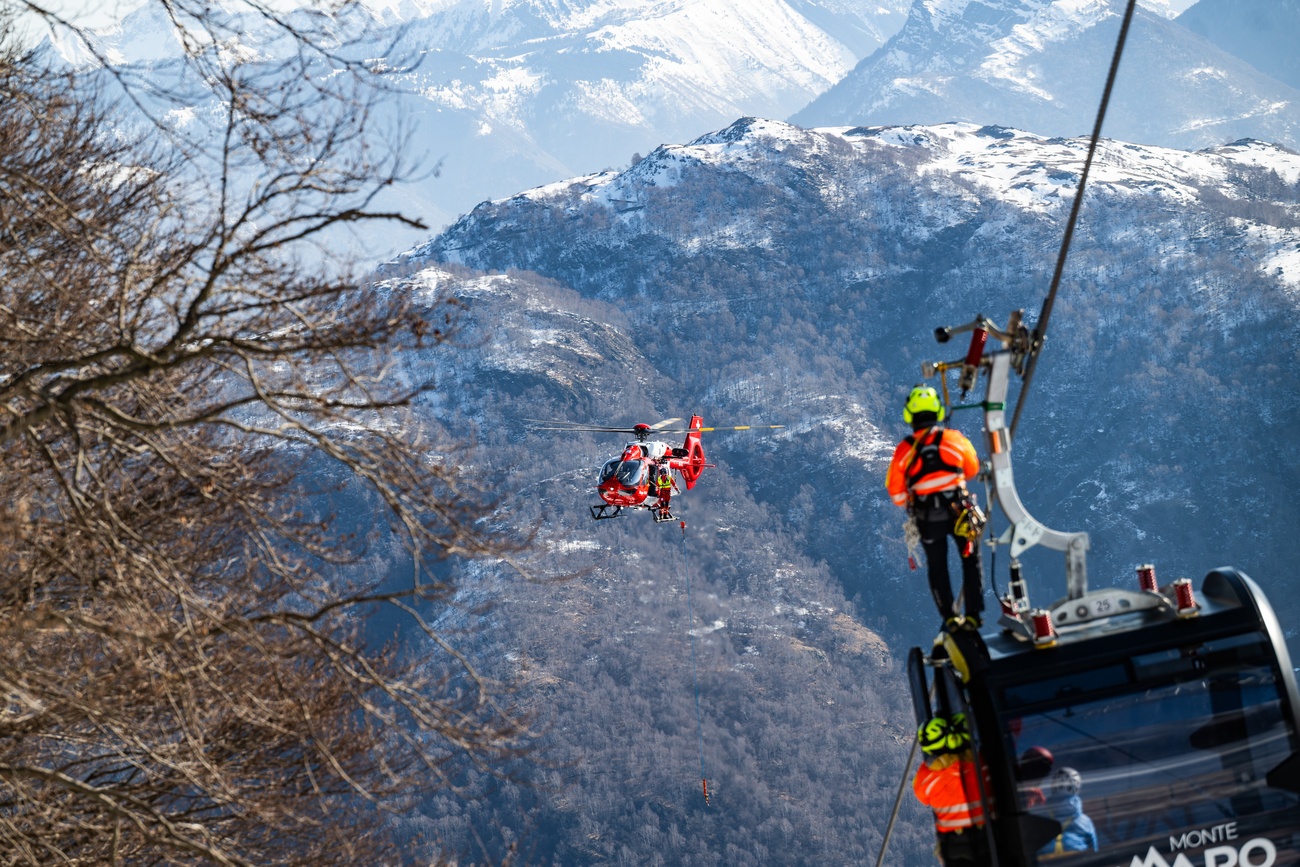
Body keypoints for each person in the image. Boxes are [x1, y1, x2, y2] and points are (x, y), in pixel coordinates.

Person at [886, 384, 984, 629]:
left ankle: (950, 618)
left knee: (938, 567)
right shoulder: (955, 439)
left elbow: (896, 494)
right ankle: (973, 614)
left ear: (910, 416)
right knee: (970, 559)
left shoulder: (904, 451)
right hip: (960, 512)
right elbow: (972, 469)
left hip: (928, 517)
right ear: (938, 411)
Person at [913, 713, 993, 867]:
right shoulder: (978, 763)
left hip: (953, 843)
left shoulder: (926, 777)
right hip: (986, 836)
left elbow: (922, 797)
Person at [1037, 767, 1098, 855]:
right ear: (1077, 787)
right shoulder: (1085, 822)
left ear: (1053, 786)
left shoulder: (1038, 816)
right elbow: (1094, 853)